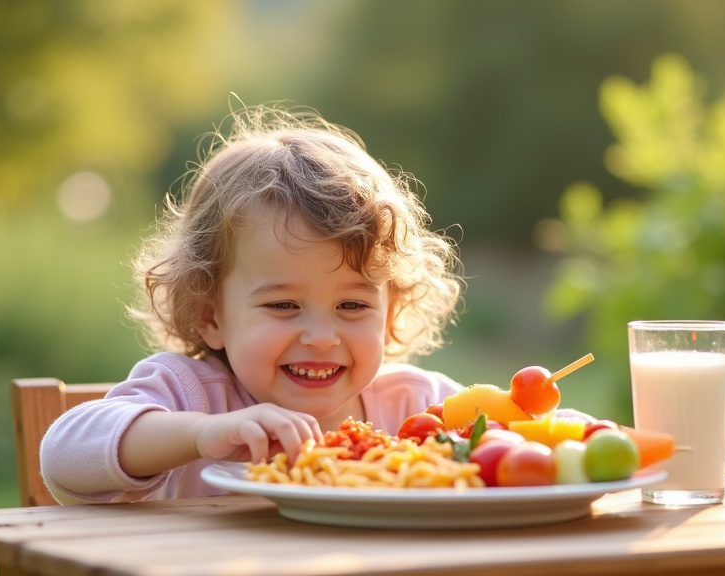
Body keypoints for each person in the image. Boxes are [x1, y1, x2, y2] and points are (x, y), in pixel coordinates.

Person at [40, 103, 465, 504]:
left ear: (390, 310)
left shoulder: (420, 406)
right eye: (283, 306)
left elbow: (517, 454)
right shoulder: (192, 394)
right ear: (210, 315)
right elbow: (63, 458)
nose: (320, 338)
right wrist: (202, 434)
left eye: (352, 306)